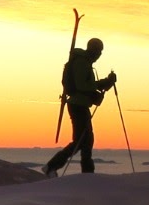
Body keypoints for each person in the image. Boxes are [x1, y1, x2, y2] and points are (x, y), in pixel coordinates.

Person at [45, 36, 116, 176]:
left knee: (84, 141)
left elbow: (86, 85)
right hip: (78, 106)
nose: (99, 55)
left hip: (80, 105)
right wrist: (101, 86)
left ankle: (84, 173)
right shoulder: (82, 62)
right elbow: (82, 85)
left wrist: (103, 84)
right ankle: (53, 167)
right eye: (98, 51)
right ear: (92, 50)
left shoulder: (84, 62)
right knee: (83, 141)